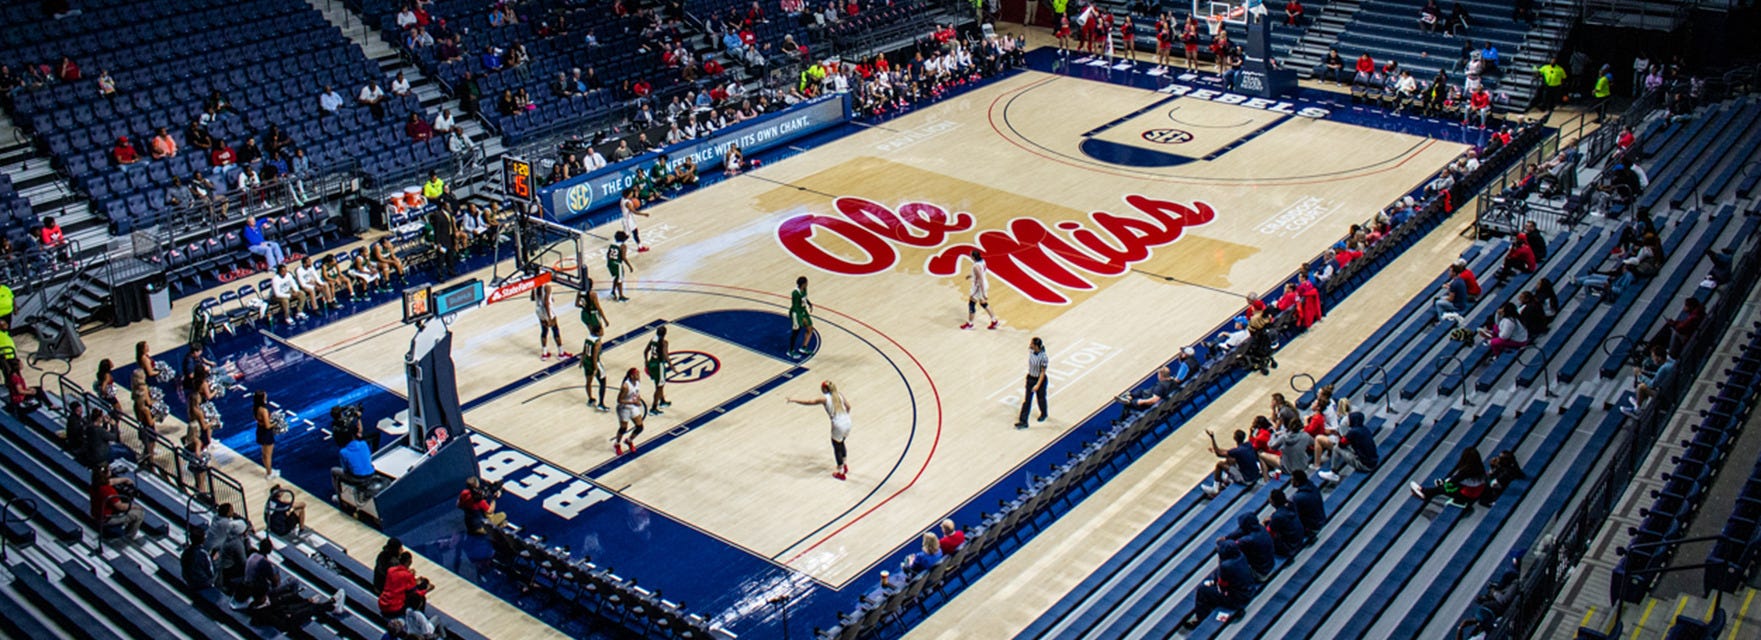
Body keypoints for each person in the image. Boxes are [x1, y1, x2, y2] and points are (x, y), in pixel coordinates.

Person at [1179, 540, 1255, 628]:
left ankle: (1201, 619)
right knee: (1213, 584)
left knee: (1202, 590)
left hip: (1237, 600)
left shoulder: (1226, 566)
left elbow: (1222, 587)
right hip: (1248, 592)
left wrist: (1220, 564)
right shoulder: (1241, 556)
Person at [788, 380, 854, 480]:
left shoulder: (824, 398)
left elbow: (809, 402)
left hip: (838, 424)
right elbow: (849, 407)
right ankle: (845, 465)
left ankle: (841, 472)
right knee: (842, 443)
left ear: (825, 389)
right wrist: (845, 417)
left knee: (837, 447)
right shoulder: (839, 395)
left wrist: (794, 400)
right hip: (847, 422)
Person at [578, 283, 611, 412]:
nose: (603, 331)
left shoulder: (587, 338)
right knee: (603, 380)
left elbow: (584, 351)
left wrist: (581, 361)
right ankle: (601, 403)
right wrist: (596, 368)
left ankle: (590, 399)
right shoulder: (597, 343)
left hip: (586, 361)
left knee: (588, 381)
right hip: (593, 362)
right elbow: (594, 357)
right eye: (601, 330)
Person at [1203, 428, 1264, 497]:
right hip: (1255, 475)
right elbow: (1229, 452)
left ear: (1235, 438)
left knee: (1220, 464)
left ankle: (1215, 489)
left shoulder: (1237, 451)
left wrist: (1212, 438)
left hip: (1247, 479)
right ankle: (1227, 478)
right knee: (1230, 458)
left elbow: (1219, 454)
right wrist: (1215, 450)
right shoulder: (1248, 445)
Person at [1412, 447, 1487, 502]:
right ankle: (1438, 485)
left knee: (1443, 489)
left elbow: (1453, 481)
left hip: (1467, 496)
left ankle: (1424, 492)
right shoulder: (1480, 467)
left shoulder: (1466, 471)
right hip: (1477, 492)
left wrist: (1446, 482)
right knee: (1450, 483)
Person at [90, 463, 144, 539]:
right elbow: (120, 507)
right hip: (106, 519)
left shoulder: (96, 483)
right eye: (109, 470)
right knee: (139, 513)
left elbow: (111, 481)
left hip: (96, 514)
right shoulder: (108, 490)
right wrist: (135, 506)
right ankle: (130, 536)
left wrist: (125, 479)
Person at [378, 551, 431, 617]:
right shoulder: (407, 576)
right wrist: (427, 590)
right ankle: (419, 619)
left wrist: (408, 573)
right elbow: (415, 592)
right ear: (409, 562)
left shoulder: (390, 570)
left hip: (382, 605)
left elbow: (398, 581)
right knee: (419, 598)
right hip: (394, 608)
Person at [959, 250, 999, 330]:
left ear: (973, 257)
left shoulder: (976, 266)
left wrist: (983, 293)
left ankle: (970, 324)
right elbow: (980, 273)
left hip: (979, 287)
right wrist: (971, 275)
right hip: (984, 284)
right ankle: (994, 321)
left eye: (970, 255)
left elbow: (980, 278)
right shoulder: (982, 261)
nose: (970, 255)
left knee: (971, 304)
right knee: (983, 303)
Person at [331, 434, 378, 500]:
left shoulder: (343, 452)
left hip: (357, 478)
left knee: (333, 471)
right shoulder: (363, 443)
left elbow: (345, 470)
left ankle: (339, 496)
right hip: (371, 473)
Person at [1016, 337, 1050, 429]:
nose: (1030, 345)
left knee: (1041, 399)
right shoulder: (1031, 350)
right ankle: (1023, 421)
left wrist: (1038, 385)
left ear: (1036, 346)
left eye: (1032, 344)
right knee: (1027, 401)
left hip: (1039, 379)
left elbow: (1042, 372)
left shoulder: (1043, 357)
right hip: (1030, 378)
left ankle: (1044, 413)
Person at [532, 281, 570, 360]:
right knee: (555, 330)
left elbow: (532, 298)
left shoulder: (535, 286)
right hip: (546, 310)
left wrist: (549, 297)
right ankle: (561, 353)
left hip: (539, 310)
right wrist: (549, 317)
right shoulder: (547, 287)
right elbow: (546, 303)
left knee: (544, 331)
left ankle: (544, 354)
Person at [614, 368, 648, 455]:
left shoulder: (637, 382)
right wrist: (633, 402)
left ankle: (629, 441)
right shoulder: (626, 386)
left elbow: (637, 393)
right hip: (624, 408)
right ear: (632, 376)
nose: (639, 376)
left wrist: (638, 399)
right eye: (637, 374)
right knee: (623, 428)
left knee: (640, 427)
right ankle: (617, 444)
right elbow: (619, 400)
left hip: (633, 407)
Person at [1265, 489, 1306, 556]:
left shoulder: (1277, 516)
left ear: (1273, 502)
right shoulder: (1291, 505)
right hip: (1299, 539)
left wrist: (1264, 524)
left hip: (1289, 547)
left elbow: (1269, 532)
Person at [182, 527, 220, 595]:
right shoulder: (203, 554)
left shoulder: (186, 552)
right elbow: (212, 572)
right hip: (202, 584)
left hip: (189, 581)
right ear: (203, 539)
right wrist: (213, 560)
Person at [644, 325, 672, 414]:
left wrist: (646, 362)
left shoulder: (653, 339)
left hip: (652, 363)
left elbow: (645, 351)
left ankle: (662, 401)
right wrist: (672, 366)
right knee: (659, 387)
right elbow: (666, 356)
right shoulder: (664, 342)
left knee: (659, 385)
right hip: (659, 366)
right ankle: (653, 408)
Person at [1289, 469, 1326, 536]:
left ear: (1297, 482)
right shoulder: (1314, 487)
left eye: (1292, 480)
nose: (1290, 481)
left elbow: (1297, 517)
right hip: (1321, 519)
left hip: (1312, 528)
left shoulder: (1298, 497)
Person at [788, 276, 816, 359]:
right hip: (796, 313)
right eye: (806, 282)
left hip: (803, 311)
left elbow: (805, 298)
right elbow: (795, 306)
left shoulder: (804, 289)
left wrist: (809, 304)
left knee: (810, 328)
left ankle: (804, 347)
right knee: (796, 332)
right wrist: (801, 317)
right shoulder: (795, 293)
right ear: (803, 284)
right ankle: (790, 351)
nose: (807, 284)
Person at [253, 390, 280, 478]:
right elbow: (268, 426)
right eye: (265, 395)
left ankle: (269, 470)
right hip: (266, 433)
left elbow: (258, 420)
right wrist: (276, 423)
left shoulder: (255, 408)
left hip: (260, 431)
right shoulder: (263, 410)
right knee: (268, 454)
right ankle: (269, 473)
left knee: (264, 454)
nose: (266, 396)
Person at [619, 188, 651, 253]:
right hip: (627, 221)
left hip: (629, 219)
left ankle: (640, 247)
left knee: (635, 232)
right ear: (628, 195)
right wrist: (644, 214)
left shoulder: (623, 199)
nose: (632, 194)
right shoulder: (627, 203)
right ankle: (618, 243)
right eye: (631, 193)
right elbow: (634, 212)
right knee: (627, 235)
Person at [606, 231, 633, 302]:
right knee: (620, 280)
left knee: (616, 278)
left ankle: (613, 292)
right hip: (617, 264)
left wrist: (610, 261)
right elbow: (624, 257)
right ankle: (621, 296)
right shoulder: (623, 246)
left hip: (610, 263)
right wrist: (630, 266)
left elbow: (607, 254)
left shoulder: (612, 244)